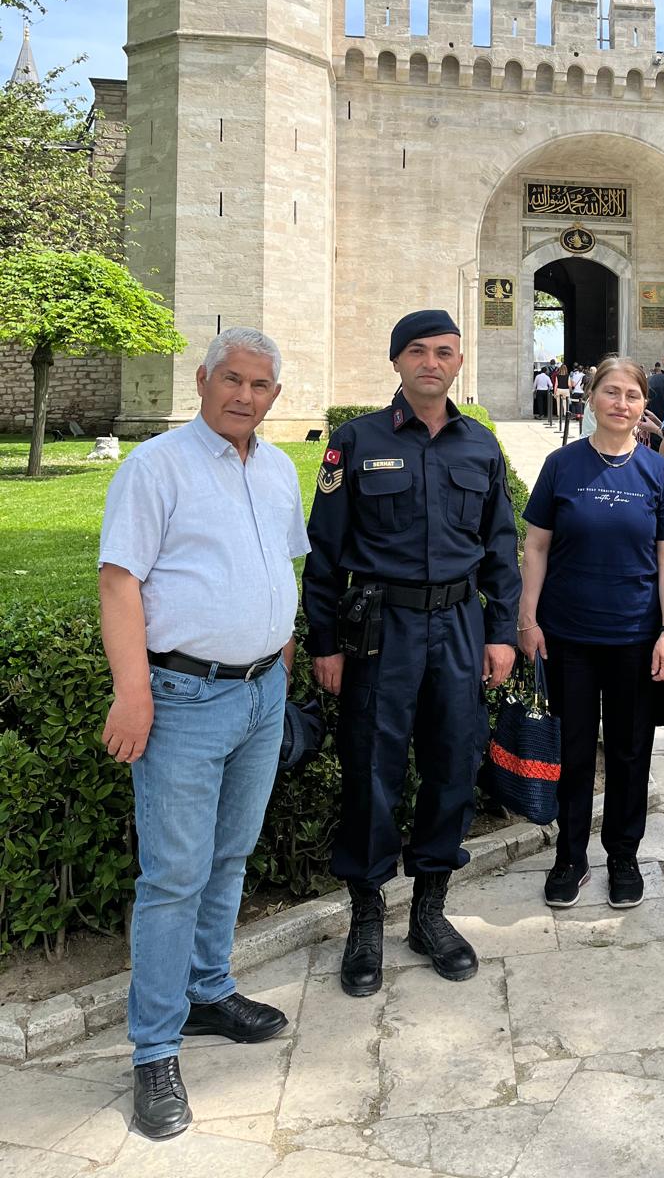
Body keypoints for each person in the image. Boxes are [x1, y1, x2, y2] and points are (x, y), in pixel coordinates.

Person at [97, 328, 307, 1141]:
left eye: (260, 385)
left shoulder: (281, 467)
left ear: (275, 398)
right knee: (174, 876)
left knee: (229, 854)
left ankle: (208, 990)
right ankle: (154, 1048)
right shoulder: (157, 468)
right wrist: (133, 692)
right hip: (182, 697)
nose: (244, 396)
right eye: (232, 379)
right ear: (202, 379)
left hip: (260, 693)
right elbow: (120, 584)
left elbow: (282, 569)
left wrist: (280, 664)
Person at [303, 310, 520, 999]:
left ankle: (430, 909)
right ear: (397, 362)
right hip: (379, 632)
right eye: (418, 352)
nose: (432, 362)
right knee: (371, 766)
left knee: (454, 761)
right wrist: (325, 642)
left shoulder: (481, 445)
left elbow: (502, 550)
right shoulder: (355, 441)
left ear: (459, 363)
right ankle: (366, 916)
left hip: (457, 625)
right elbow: (325, 553)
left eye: (445, 352)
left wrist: (502, 632)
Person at [518, 357, 664, 910]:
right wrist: (529, 617)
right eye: (610, 392)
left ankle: (623, 855)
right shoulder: (562, 465)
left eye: (632, 395)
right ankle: (570, 855)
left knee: (631, 750)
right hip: (569, 633)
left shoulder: (658, 472)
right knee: (573, 749)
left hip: (635, 636)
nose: (621, 403)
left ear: (644, 405)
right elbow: (536, 546)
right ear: (590, 398)